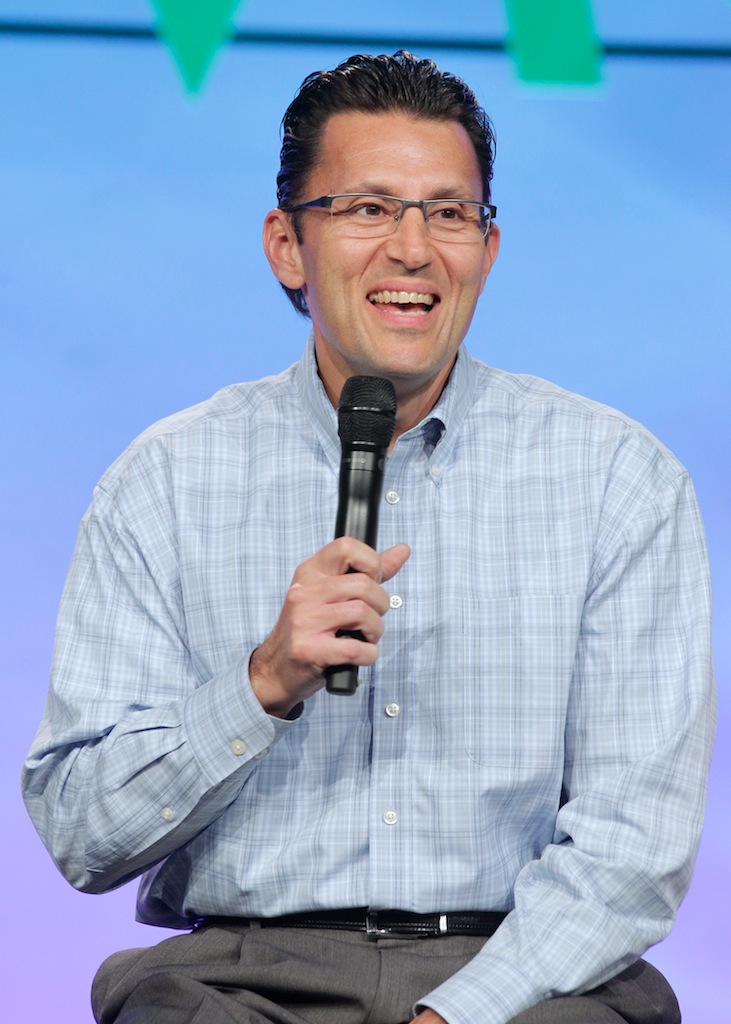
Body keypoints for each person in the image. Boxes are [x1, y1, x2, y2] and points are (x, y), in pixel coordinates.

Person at [22, 51, 715, 1024]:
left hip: (528, 979)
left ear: (487, 248)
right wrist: (261, 683)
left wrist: (455, 1014)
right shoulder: (166, 479)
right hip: (244, 978)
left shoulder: (615, 477)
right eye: (368, 208)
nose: (412, 248)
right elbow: (82, 832)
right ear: (286, 246)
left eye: (447, 214)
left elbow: (632, 847)